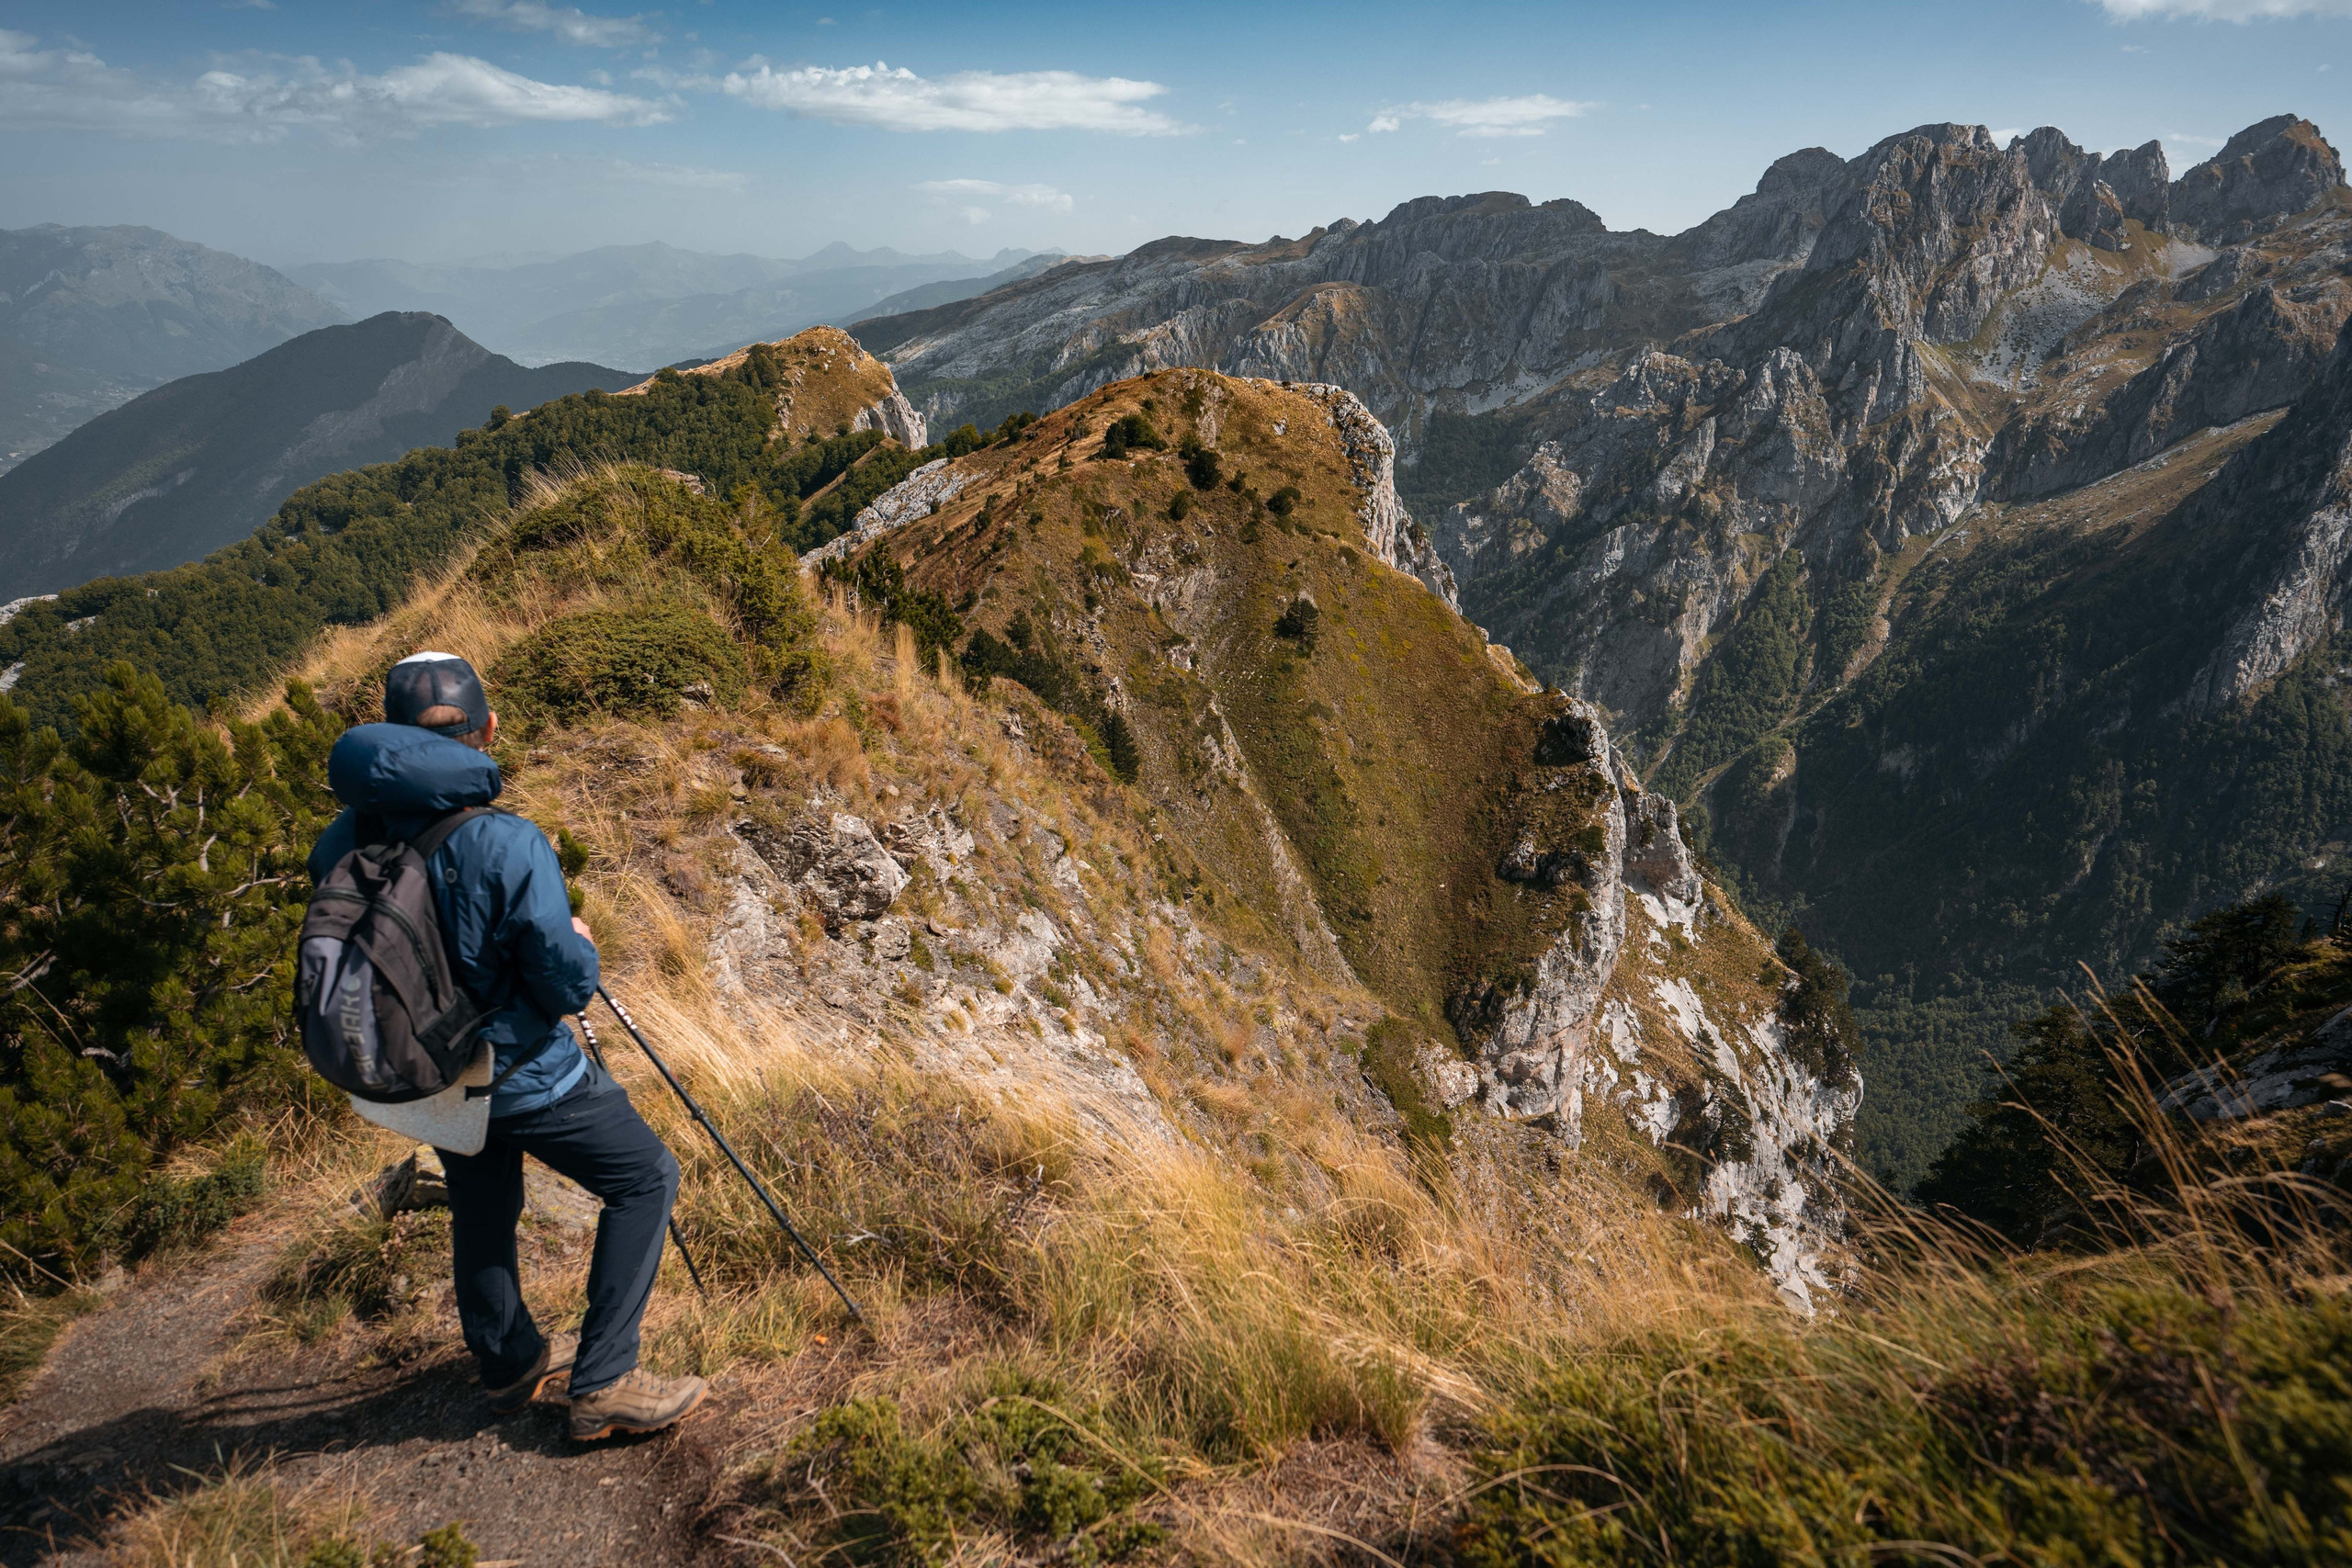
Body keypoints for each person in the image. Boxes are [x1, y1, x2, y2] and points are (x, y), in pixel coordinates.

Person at [307, 650, 707, 1441]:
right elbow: (565, 986)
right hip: (524, 1074)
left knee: (481, 1202)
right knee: (644, 1176)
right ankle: (605, 1380)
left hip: (423, 1073)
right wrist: (580, 941)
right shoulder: (508, 841)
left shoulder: (342, 839)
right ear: (487, 728)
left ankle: (508, 1362)